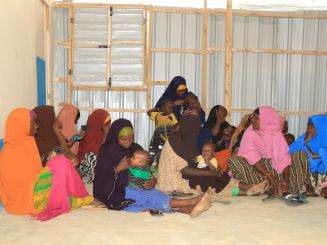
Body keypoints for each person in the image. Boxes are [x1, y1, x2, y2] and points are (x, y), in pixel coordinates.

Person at [93, 119, 213, 217]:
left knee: (154, 193)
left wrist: (153, 181)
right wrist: (118, 168)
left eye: (131, 138)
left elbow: (147, 171)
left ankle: (188, 209)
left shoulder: (135, 149)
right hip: (118, 191)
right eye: (124, 139)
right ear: (115, 137)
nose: (129, 142)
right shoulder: (107, 151)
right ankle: (191, 202)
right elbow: (101, 178)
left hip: (138, 186)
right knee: (145, 196)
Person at [0, 108, 93, 220]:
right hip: (23, 200)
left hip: (31, 191)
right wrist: (50, 170)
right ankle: (80, 197)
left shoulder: (27, 143)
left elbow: (34, 174)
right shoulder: (12, 152)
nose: (37, 126)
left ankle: (77, 196)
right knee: (61, 163)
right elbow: (22, 185)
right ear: (21, 125)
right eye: (33, 122)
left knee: (61, 166)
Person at [228, 106, 308, 196]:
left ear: (266, 120)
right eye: (252, 117)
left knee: (300, 155)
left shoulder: (276, 134)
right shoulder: (250, 133)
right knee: (234, 161)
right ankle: (264, 188)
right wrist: (271, 178)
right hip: (258, 168)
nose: (252, 120)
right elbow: (251, 157)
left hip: (275, 169)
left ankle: (281, 187)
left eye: (256, 118)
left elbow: (284, 158)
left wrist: (286, 179)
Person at [157, 114, 228, 194]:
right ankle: (232, 190)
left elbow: (193, 158)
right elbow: (185, 170)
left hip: (184, 176)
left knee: (214, 175)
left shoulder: (181, 138)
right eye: (195, 131)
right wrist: (211, 172)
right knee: (210, 179)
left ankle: (232, 187)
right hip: (173, 183)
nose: (196, 134)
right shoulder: (174, 143)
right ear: (189, 128)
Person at [289, 115, 327, 197]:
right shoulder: (305, 137)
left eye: (312, 124)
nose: (309, 128)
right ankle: (309, 186)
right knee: (299, 154)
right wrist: (305, 141)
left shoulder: (325, 136)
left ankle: (323, 186)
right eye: (308, 124)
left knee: (323, 150)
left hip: (323, 169)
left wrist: (318, 155)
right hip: (309, 170)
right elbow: (289, 150)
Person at [77, 109, 111, 183]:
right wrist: (105, 134)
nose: (108, 125)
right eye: (106, 123)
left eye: (109, 122)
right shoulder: (84, 130)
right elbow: (101, 151)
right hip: (85, 168)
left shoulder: (107, 133)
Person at [148, 99, 178, 164]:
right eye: (169, 108)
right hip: (155, 139)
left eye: (172, 108)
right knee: (151, 153)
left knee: (161, 154)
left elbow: (176, 126)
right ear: (163, 107)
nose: (171, 110)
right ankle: (148, 167)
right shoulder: (157, 115)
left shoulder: (172, 116)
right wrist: (157, 109)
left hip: (164, 140)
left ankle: (159, 167)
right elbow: (149, 112)